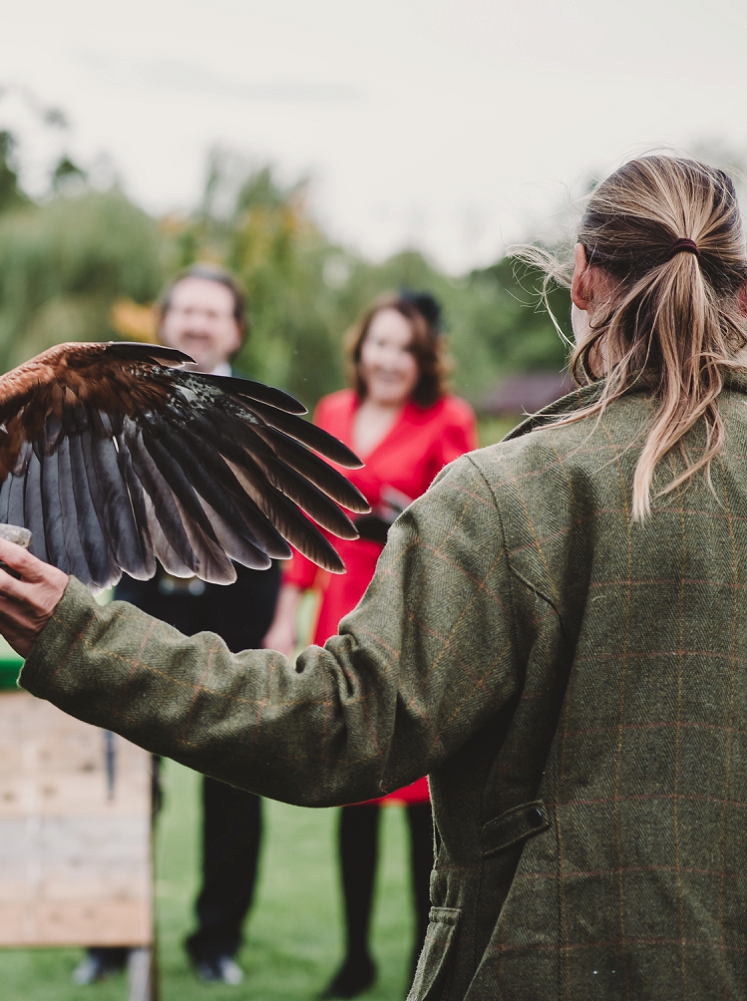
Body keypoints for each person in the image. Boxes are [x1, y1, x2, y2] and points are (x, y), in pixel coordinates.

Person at [0, 155, 747, 1000]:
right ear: (745, 290)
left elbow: (338, 725)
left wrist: (71, 628)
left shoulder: (509, 494)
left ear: (582, 279)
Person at [262, 292, 476, 998]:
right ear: (361, 349)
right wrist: (284, 610)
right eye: (379, 344)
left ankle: (424, 952)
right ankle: (355, 956)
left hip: (411, 615)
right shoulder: (330, 412)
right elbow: (306, 517)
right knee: (350, 781)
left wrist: (405, 521)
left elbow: (465, 515)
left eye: (404, 348)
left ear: (422, 360)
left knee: (420, 790)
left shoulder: (448, 420)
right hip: (339, 609)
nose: (388, 359)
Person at [75, 265, 280, 987]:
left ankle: (216, 939)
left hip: (233, 615)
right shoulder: (120, 406)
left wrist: (278, 624)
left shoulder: (263, 411)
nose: (196, 323)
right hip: (145, 605)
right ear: (163, 322)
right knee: (124, 775)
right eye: (185, 311)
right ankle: (106, 936)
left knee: (233, 785)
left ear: (235, 329)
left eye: (211, 313)